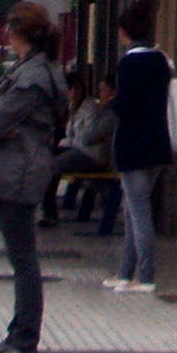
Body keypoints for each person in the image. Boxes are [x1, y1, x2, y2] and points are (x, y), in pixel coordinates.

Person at [0, 5, 70, 353]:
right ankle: (18, 335)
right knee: (22, 258)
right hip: (23, 167)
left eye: (9, 31)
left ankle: (23, 341)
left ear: (18, 33)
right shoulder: (42, 71)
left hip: (18, 171)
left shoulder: (31, 78)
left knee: (24, 260)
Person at [105, 0, 176, 295]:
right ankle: (125, 273)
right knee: (135, 210)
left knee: (138, 212)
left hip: (133, 146)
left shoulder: (129, 63)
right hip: (158, 143)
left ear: (123, 33)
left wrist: (110, 103)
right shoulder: (161, 60)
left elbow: (126, 106)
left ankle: (145, 276)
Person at [44, 65, 119, 234]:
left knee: (53, 166)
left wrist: (71, 141)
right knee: (45, 158)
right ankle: (46, 208)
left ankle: (49, 212)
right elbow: (77, 136)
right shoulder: (74, 108)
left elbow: (86, 137)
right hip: (81, 151)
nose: (100, 95)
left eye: (103, 90)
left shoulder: (100, 111)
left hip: (92, 156)